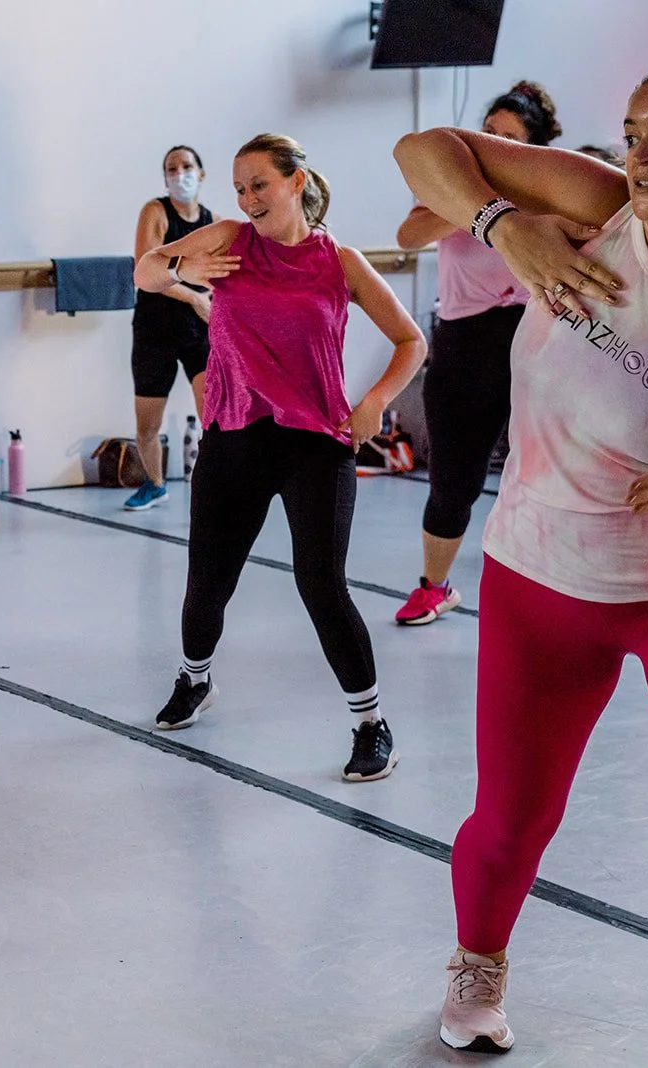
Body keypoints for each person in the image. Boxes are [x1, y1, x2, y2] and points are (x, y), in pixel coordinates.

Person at [394, 68, 648, 1056]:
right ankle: (477, 965)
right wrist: (508, 226)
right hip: (543, 576)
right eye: (634, 131)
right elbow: (423, 153)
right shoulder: (594, 210)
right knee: (511, 822)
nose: (643, 155)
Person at [136, 134, 425, 780]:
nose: (246, 199)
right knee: (207, 586)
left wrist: (376, 398)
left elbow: (411, 339)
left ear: (296, 183)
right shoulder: (229, 241)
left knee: (321, 583)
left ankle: (372, 724)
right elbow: (146, 269)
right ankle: (196, 678)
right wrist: (184, 272)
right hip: (234, 434)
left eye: (259, 185)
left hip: (316, 443)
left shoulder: (340, 261)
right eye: (238, 188)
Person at [393, 82, 561, 625]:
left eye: (507, 138)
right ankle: (434, 587)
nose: (493, 143)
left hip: (533, 341)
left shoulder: (550, 189)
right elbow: (408, 235)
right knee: (453, 482)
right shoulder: (452, 188)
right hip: (463, 347)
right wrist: (475, 204)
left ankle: (557, 589)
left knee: (544, 472)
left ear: (531, 148)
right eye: (488, 133)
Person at [124, 145, 219, 511]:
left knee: (212, 410)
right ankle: (154, 483)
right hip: (154, 329)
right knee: (148, 420)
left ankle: (214, 484)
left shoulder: (214, 221)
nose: (180, 173)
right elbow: (146, 272)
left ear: (202, 172)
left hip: (199, 331)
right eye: (172, 168)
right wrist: (194, 297)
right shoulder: (156, 212)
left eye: (187, 166)